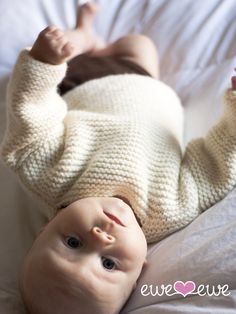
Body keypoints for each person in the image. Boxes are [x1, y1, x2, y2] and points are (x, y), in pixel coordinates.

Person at [1, 2, 236, 314]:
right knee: (140, 45)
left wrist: (43, 65)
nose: (99, 237)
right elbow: (215, 165)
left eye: (72, 243)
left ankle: (84, 36)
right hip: (145, 82)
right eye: (109, 263)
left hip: (79, 81)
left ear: (45, 229)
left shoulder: (53, 178)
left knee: (68, 47)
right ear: (140, 269)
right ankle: (94, 39)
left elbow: (28, 128)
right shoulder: (171, 209)